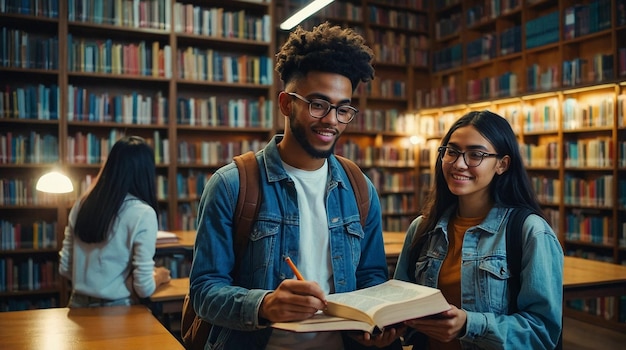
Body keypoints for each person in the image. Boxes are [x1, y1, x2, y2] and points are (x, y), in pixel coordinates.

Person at [189, 22, 402, 349]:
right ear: (287, 103)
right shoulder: (231, 185)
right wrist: (265, 305)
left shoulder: (359, 188)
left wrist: (377, 322)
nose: (331, 120)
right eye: (318, 104)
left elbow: (371, 278)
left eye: (343, 109)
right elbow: (204, 290)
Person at [394, 110, 564, 349]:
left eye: (476, 155)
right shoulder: (422, 228)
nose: (459, 164)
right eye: (451, 152)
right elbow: (401, 307)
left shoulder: (530, 232)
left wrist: (469, 325)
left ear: (502, 164)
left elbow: (542, 332)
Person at [59, 135, 171, 307]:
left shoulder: (82, 203)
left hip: (76, 306)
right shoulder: (143, 213)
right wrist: (160, 277)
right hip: (116, 311)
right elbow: (144, 288)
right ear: (146, 172)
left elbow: (65, 268)